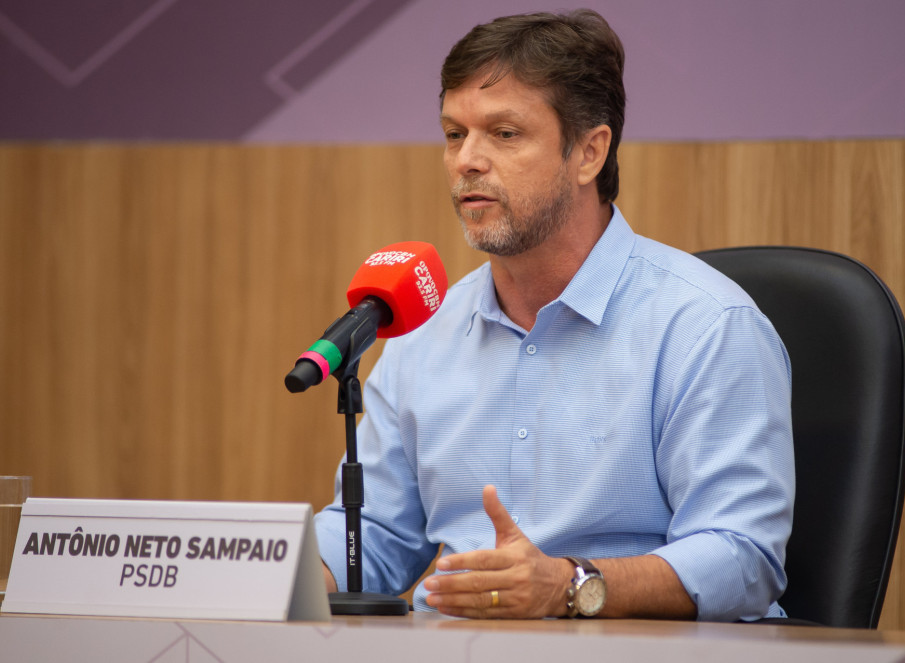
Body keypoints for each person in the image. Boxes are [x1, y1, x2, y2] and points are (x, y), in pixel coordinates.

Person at [314, 9, 794, 621]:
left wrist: (570, 585)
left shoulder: (706, 326)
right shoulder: (422, 328)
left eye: (504, 134)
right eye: (454, 134)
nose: (466, 161)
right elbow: (374, 537)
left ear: (589, 152)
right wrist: (260, 567)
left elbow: (742, 557)